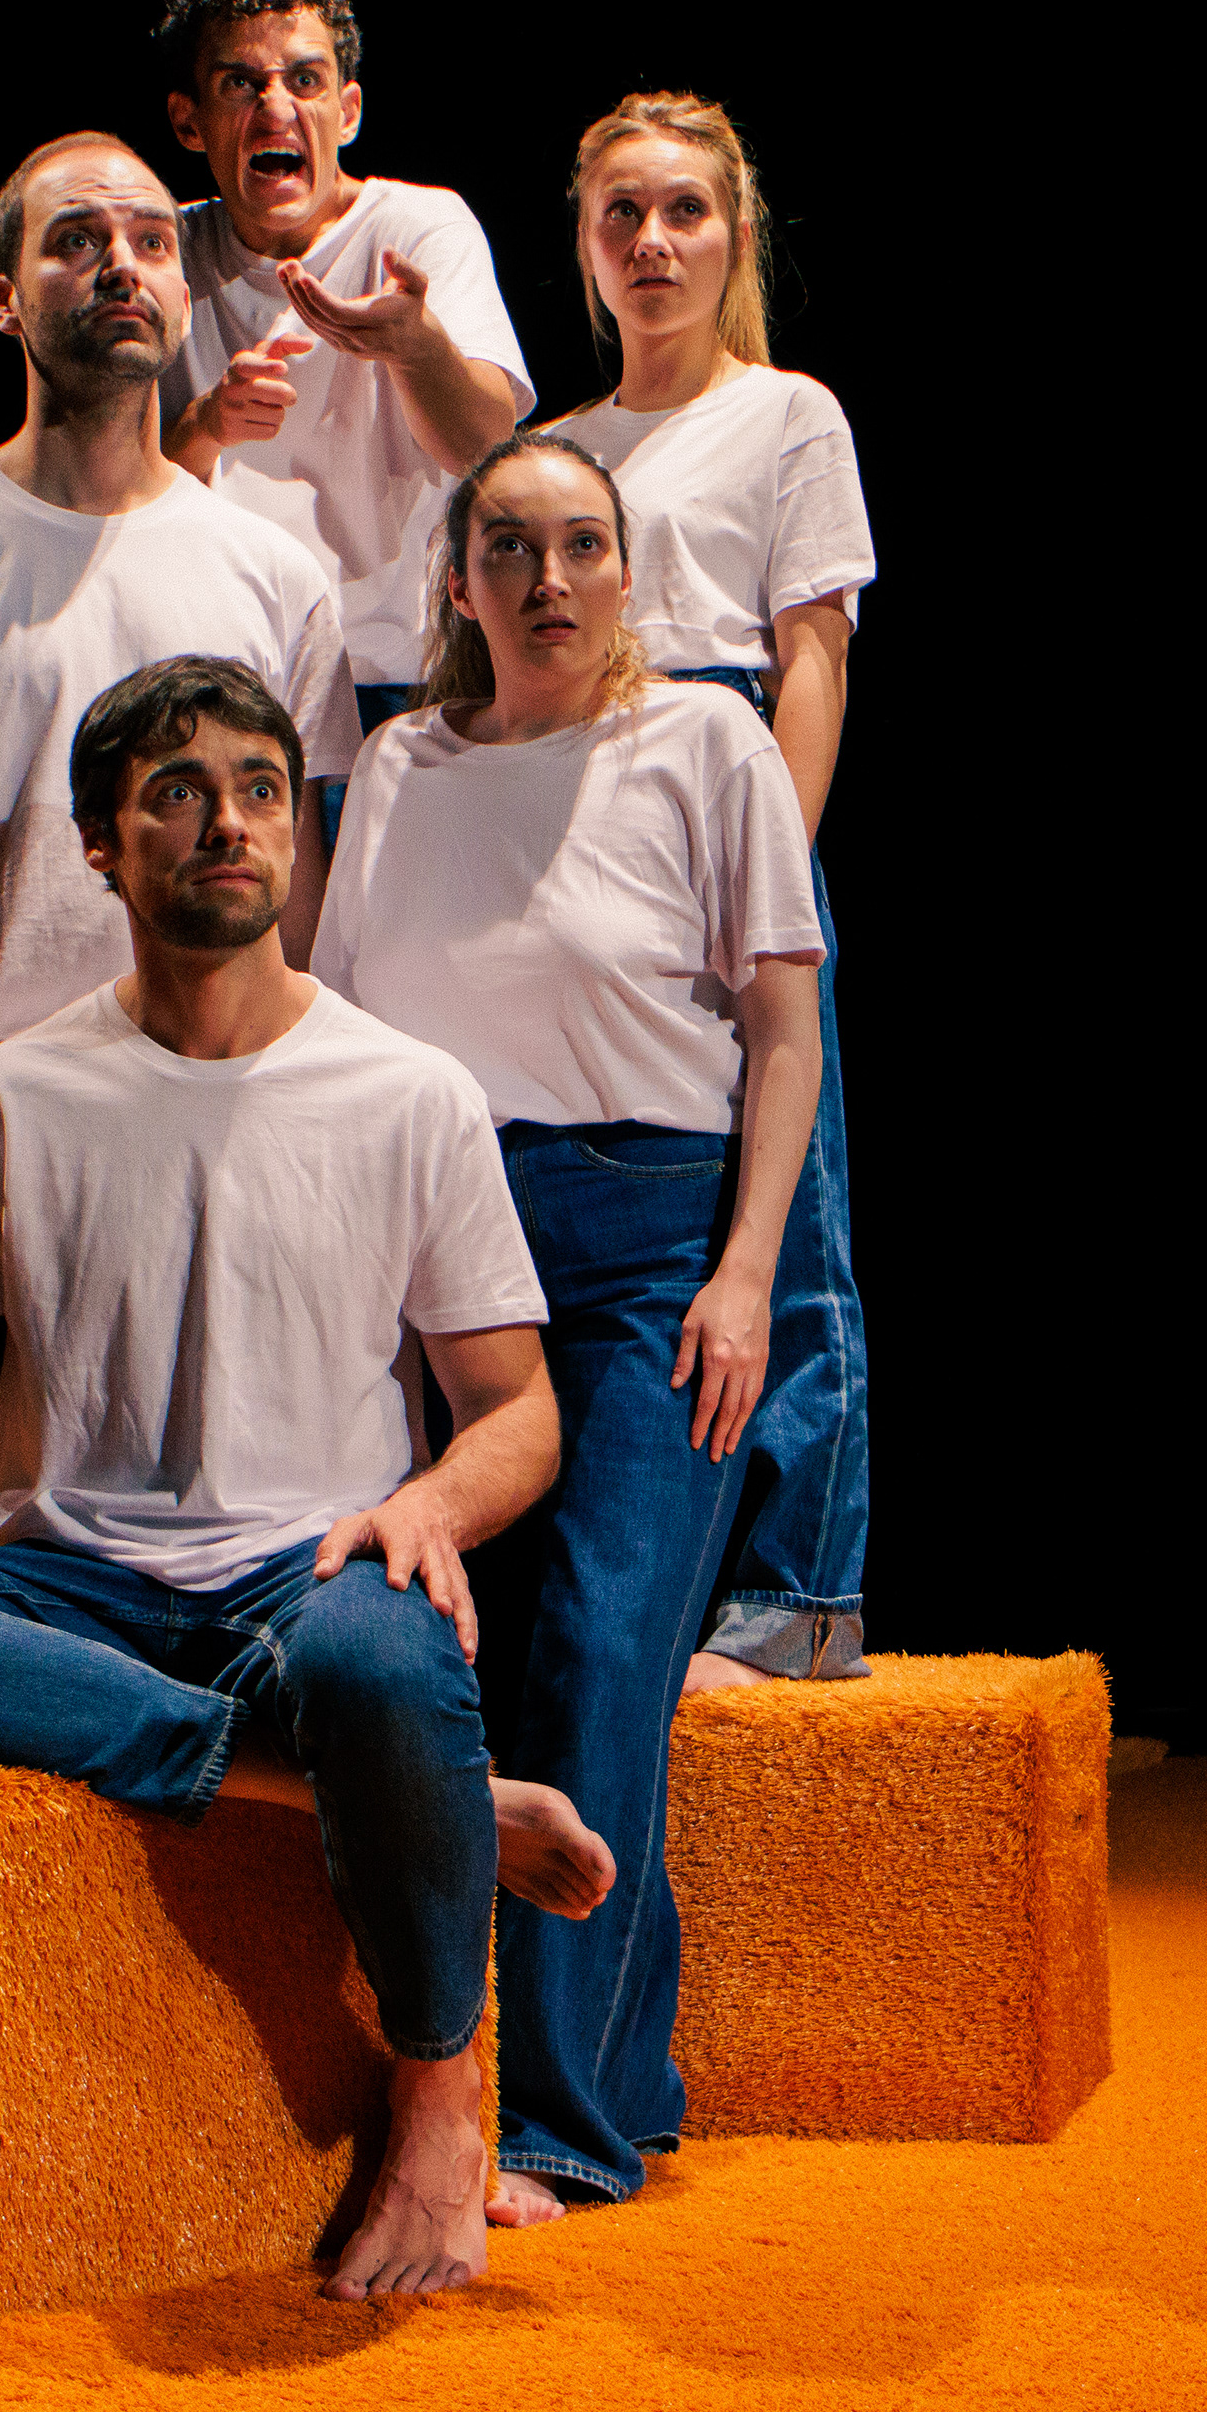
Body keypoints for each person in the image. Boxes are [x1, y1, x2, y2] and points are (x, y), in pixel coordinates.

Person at [0, 653, 607, 2302]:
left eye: (261, 790)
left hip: (308, 1581)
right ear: (99, 845)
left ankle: (439, 2105)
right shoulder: (12, 1092)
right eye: (179, 794)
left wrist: (426, 1507)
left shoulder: (411, 1093)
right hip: (68, 1590)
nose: (229, 823)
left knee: (383, 1655)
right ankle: (385, 1796)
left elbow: (518, 1414)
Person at [312, 435, 824, 2220]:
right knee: (467, 1645)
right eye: (511, 547)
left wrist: (748, 1273)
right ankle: (613, 2073)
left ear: (628, 570)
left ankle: (558, 2124)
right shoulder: (401, 766)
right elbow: (343, 1031)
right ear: (458, 584)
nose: (550, 578)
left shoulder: (708, 744)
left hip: (646, 1243)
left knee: (603, 1647)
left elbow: (784, 1035)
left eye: (584, 544)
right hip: (444, 1236)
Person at [0, 129, 357, 1337]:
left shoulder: (275, 574)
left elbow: (297, 896)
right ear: (4, 299)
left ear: (184, 295)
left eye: (151, 242)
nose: (122, 266)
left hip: (216, 1085)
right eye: (79, 241)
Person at [544, 94, 877, 1691]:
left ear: (735, 234)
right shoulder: (563, 444)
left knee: (783, 1199)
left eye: (685, 210)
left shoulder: (788, 415)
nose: (653, 241)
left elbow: (813, 657)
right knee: (648, 1204)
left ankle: (804, 1586)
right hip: (587, 801)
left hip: (727, 777)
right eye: (623, 212)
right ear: (585, 240)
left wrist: (771, 869)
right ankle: (643, 1581)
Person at [149, 0, 532, 813]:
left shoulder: (421, 226)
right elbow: (108, 494)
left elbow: (484, 445)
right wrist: (205, 425)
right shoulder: (162, 253)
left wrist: (414, 345)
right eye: (239, 83)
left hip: (402, 683)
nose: (275, 107)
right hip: (223, 694)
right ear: (189, 121)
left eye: (305, 80)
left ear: (348, 109)